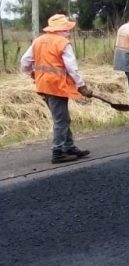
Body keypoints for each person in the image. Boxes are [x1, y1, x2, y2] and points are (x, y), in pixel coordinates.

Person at [20, 14, 94, 164]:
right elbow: (72, 68)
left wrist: (32, 74)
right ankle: (58, 152)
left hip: (43, 84)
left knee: (62, 118)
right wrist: (81, 86)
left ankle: (69, 147)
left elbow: (25, 61)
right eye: (67, 28)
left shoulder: (38, 41)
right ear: (60, 29)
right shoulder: (63, 43)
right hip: (57, 86)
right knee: (61, 120)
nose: (69, 31)